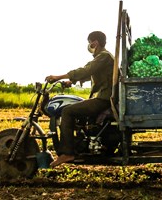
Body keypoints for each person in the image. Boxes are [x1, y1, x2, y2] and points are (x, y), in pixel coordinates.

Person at [45, 31, 114, 167]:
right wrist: (72, 82)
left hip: (104, 98)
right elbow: (92, 74)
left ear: (95, 42)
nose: (89, 45)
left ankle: (68, 152)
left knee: (68, 111)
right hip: (104, 97)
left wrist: (58, 77)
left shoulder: (104, 56)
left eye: (90, 42)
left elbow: (87, 70)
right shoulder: (104, 58)